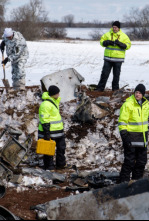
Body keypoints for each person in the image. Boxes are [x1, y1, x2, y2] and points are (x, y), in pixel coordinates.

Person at [118, 84, 149, 183]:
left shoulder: (146, 104)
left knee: (141, 162)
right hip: (131, 139)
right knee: (129, 162)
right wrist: (124, 136)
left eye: (140, 93)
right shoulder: (128, 104)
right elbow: (122, 122)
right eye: (136, 92)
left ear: (143, 94)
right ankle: (123, 184)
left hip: (142, 139)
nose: (137, 94)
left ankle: (136, 182)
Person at [38, 85, 71, 171]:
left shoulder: (54, 101)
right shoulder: (45, 104)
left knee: (61, 148)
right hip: (50, 131)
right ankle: (49, 166)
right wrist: (47, 133)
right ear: (53, 94)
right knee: (48, 150)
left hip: (58, 131)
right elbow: (44, 119)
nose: (59, 95)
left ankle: (61, 164)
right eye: (57, 93)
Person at [97, 21, 131, 92]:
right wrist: (107, 42)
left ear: (119, 28)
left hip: (118, 60)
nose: (114, 28)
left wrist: (121, 44)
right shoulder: (107, 34)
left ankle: (115, 90)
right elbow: (101, 42)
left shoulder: (124, 36)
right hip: (108, 58)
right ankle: (100, 89)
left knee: (116, 76)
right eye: (113, 27)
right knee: (104, 74)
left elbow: (128, 45)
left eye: (116, 27)